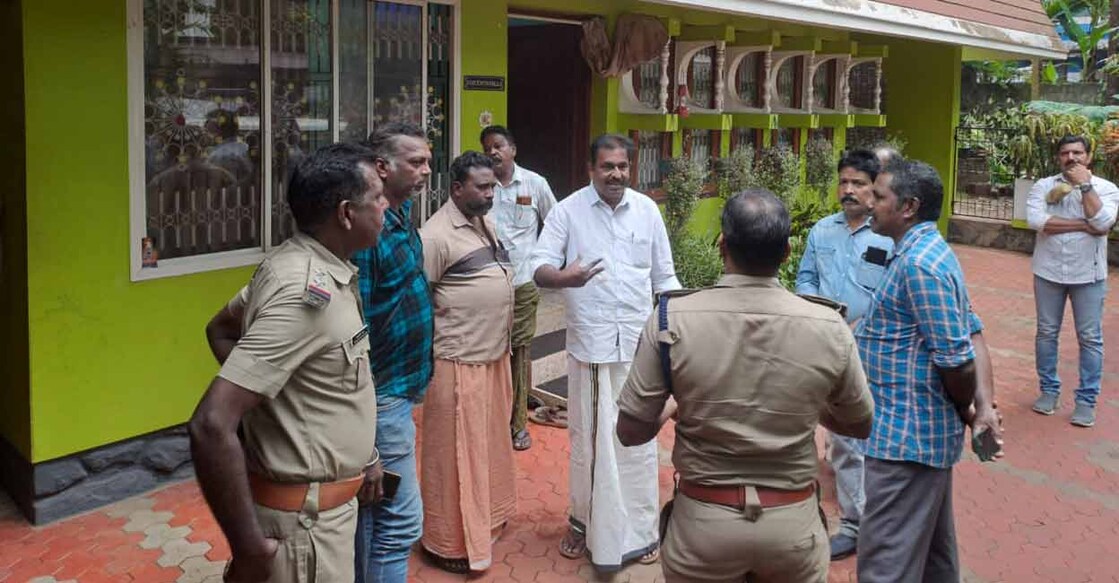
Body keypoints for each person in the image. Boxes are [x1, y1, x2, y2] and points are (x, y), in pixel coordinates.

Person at [617, 188, 875, 582]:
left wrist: (674, 405)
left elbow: (631, 431)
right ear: (788, 251)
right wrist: (809, 403)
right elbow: (860, 424)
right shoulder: (829, 327)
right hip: (792, 527)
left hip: (703, 525)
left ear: (721, 244)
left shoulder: (671, 319)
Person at [188, 142, 388, 582]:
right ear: (345, 213)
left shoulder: (306, 263)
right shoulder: (303, 292)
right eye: (377, 196)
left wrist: (277, 398)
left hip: (327, 514)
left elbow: (221, 329)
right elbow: (210, 424)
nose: (385, 205)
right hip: (305, 533)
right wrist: (251, 551)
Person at [531, 134, 680, 572]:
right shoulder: (568, 211)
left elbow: (665, 278)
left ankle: (640, 530)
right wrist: (565, 278)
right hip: (591, 349)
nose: (616, 173)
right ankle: (582, 522)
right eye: (607, 166)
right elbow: (537, 268)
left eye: (622, 166)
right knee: (590, 442)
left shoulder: (648, 210)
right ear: (590, 169)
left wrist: (674, 338)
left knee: (637, 442)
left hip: (639, 351)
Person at [855, 160, 996, 582]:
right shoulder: (927, 253)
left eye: (879, 196)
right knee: (934, 562)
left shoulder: (920, 265)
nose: (869, 202)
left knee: (885, 565)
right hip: (917, 438)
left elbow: (957, 359)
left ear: (909, 207)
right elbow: (971, 332)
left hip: (906, 442)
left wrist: (971, 411)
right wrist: (983, 409)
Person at [418, 151, 518, 574]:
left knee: (488, 449)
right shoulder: (435, 235)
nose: (490, 193)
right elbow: (420, 302)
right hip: (458, 364)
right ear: (457, 189)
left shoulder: (483, 221)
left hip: (493, 358)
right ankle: (450, 544)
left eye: (492, 186)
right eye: (481, 187)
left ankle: (488, 522)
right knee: (455, 456)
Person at [794, 149, 891, 561]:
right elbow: (805, 277)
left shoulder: (889, 235)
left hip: (875, 351)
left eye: (859, 184)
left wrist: (857, 330)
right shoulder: (821, 231)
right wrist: (815, 318)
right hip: (827, 350)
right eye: (844, 182)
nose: (848, 190)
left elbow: (891, 294)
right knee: (844, 439)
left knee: (879, 439)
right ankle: (856, 524)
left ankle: (882, 520)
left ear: (875, 189)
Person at [351, 122, 434, 582]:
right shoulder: (368, 233)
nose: (426, 170)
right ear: (382, 167)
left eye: (427, 160)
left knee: (376, 520)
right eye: (416, 162)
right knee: (398, 522)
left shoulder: (397, 217)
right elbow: (354, 328)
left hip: (398, 391)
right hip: (379, 394)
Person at [1026, 135, 1119, 427]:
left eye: (1077, 153)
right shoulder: (1044, 186)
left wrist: (1085, 187)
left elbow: (1104, 224)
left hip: (1088, 275)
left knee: (1090, 338)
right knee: (1046, 332)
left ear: (1088, 157)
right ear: (1058, 158)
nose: (1071, 158)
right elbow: (1037, 222)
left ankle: (1086, 400)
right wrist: (1084, 225)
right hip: (1048, 271)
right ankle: (1049, 391)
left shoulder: (1106, 189)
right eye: (1065, 153)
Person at [481, 125, 558, 451]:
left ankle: (517, 426)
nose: (493, 152)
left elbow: (556, 224)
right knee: (490, 348)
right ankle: (495, 410)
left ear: (512, 149)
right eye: (487, 148)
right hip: (487, 282)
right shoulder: (481, 186)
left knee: (520, 348)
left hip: (524, 280)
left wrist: (546, 264)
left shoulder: (534, 184)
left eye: (498, 145)